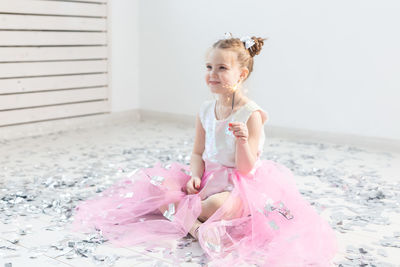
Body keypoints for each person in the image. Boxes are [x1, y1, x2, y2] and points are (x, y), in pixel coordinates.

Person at [72, 33, 337, 266]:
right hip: (207, 179)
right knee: (159, 190)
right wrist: (196, 174)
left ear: (241, 74)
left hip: (238, 186)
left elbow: (246, 168)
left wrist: (243, 141)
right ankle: (199, 231)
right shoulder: (205, 110)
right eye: (209, 66)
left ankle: (189, 218)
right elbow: (198, 152)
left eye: (222, 68)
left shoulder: (250, 114)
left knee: (214, 206)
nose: (212, 74)